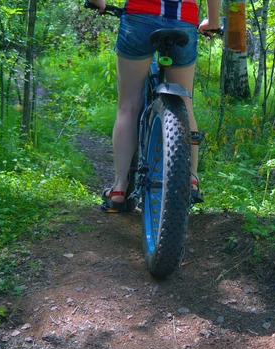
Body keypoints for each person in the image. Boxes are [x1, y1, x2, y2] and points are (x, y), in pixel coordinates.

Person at [88, 0, 221, 211]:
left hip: (139, 17)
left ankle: (119, 189)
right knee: (185, 103)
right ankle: (192, 179)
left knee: (128, 106)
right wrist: (212, 21)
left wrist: (99, 3)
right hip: (182, 20)